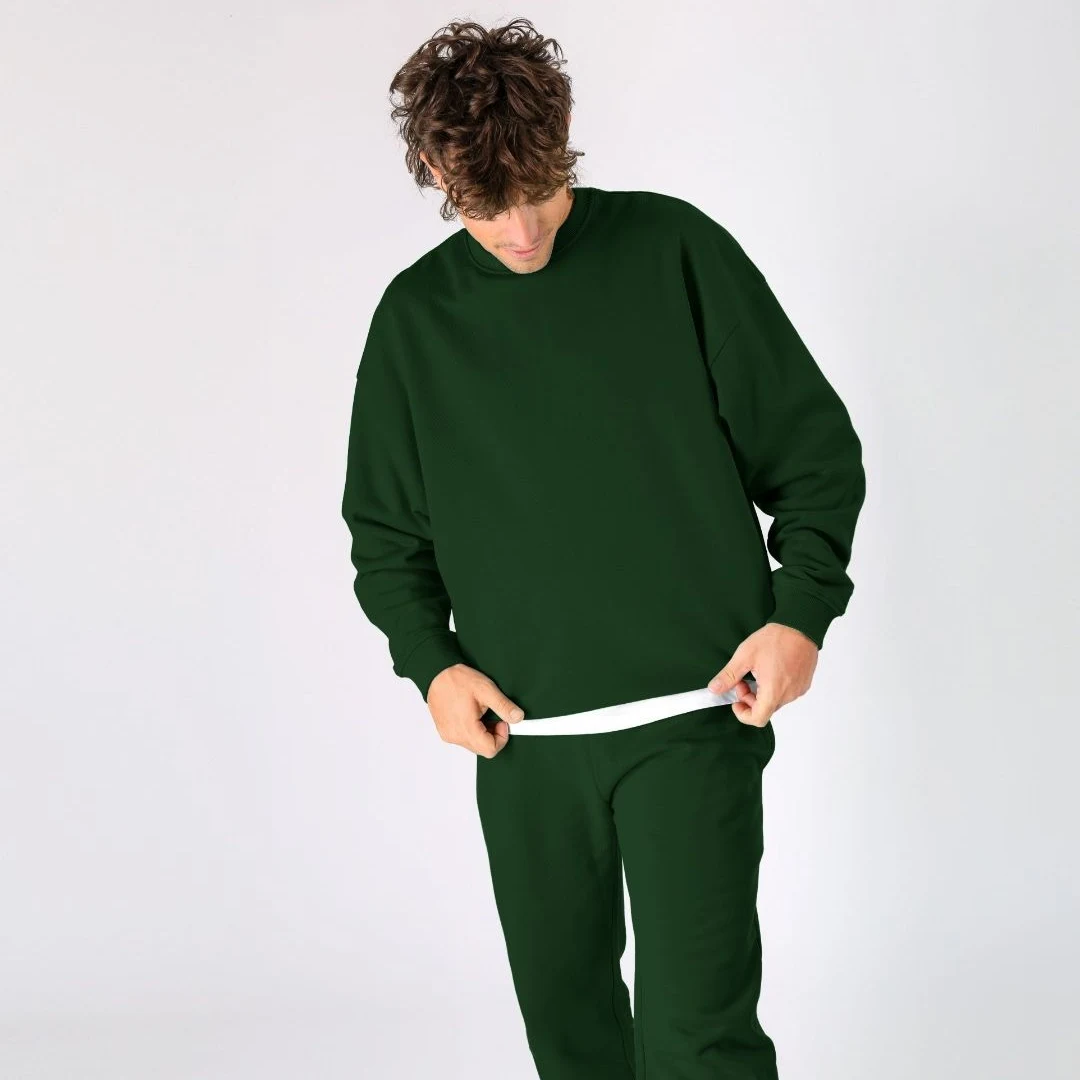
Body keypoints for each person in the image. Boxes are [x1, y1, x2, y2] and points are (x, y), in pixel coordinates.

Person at [340, 17, 866, 1080]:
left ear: (565, 134)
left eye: (536, 190)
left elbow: (813, 454)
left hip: (694, 719)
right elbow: (387, 536)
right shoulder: (415, 323)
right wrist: (432, 666)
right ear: (438, 172)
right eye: (486, 204)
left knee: (699, 1042)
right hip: (525, 750)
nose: (520, 230)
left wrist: (801, 612)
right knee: (570, 1043)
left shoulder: (675, 252)